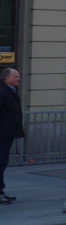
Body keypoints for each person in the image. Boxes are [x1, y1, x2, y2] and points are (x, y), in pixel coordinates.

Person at [0, 68, 23, 205]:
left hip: (6, 133)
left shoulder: (10, 91)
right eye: (16, 76)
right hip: (2, 134)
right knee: (1, 163)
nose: (18, 79)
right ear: (6, 78)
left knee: (2, 163)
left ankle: (1, 191)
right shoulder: (3, 91)